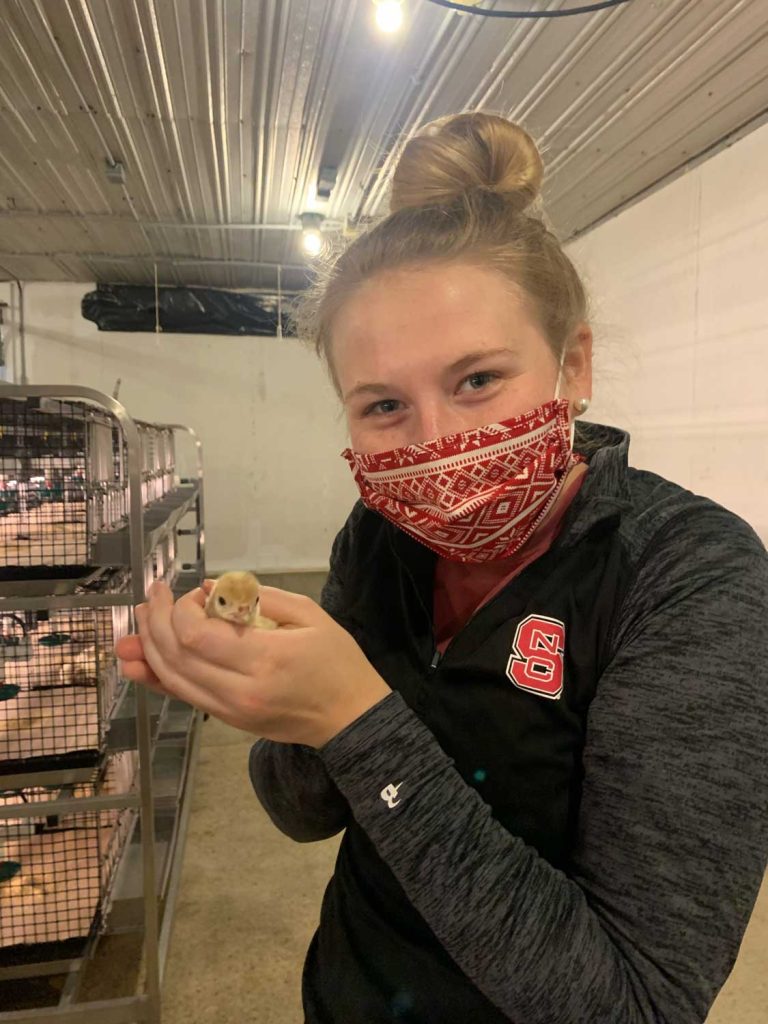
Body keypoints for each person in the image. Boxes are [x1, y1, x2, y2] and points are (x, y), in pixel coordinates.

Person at [116, 112, 768, 1024]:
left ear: (572, 365)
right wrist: (258, 691)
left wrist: (356, 717)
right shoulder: (379, 537)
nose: (437, 445)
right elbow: (305, 812)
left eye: (477, 381)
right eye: (383, 404)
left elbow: (639, 1003)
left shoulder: (688, 575)